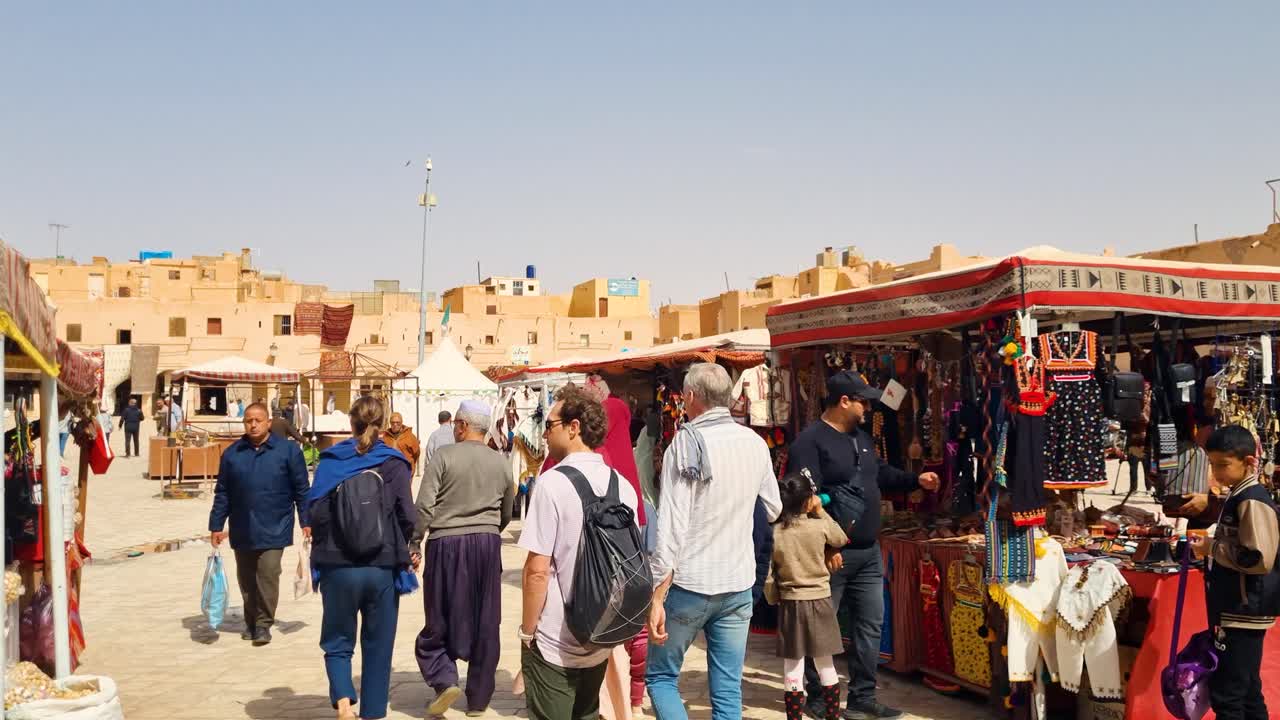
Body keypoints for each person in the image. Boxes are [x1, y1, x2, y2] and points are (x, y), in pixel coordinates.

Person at [786, 371, 939, 720]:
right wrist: (827, 546)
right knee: (820, 630)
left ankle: (862, 697)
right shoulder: (808, 444)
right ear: (844, 401)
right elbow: (803, 502)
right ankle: (817, 696)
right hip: (829, 555)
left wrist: (915, 480)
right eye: (863, 401)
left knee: (870, 625)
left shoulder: (862, 438)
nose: (868, 408)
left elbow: (879, 473)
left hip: (868, 553)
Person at [646, 363, 783, 720]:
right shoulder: (754, 443)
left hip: (690, 584)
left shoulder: (685, 443)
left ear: (690, 396)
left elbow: (671, 525)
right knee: (727, 690)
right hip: (737, 583)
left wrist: (657, 595)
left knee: (661, 677)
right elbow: (774, 507)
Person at [519, 385, 640, 720]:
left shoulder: (552, 483)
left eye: (550, 425)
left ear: (574, 428)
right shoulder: (622, 485)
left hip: (556, 638)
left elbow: (537, 571)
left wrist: (527, 632)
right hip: (602, 632)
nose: (545, 434)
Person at [307, 396, 418, 720]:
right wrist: (403, 545)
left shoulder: (331, 461)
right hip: (381, 568)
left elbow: (315, 514)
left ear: (351, 422)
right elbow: (408, 517)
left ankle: (344, 704)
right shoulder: (394, 462)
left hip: (337, 567)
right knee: (378, 646)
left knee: (337, 640)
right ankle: (372, 713)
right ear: (383, 424)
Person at [413, 400, 515, 717]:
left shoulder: (444, 456)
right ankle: (478, 700)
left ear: (462, 426)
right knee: (486, 618)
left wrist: (414, 540)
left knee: (440, 614)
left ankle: (444, 680)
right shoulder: (501, 462)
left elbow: (424, 505)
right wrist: (489, 531)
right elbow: (507, 510)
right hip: (487, 543)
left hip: (446, 543)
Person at [1189, 425, 1280, 720]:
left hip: (1244, 610)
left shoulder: (1251, 499)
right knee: (1247, 690)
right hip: (1240, 608)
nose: (1216, 472)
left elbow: (1259, 557)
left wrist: (1212, 548)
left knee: (1228, 694)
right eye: (1213, 464)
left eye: (1223, 464)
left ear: (1248, 462)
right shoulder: (1239, 495)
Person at [207, 403, 310, 646]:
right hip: (242, 524)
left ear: (268, 423)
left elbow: (302, 489)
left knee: (268, 572)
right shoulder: (232, 454)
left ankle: (263, 623)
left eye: (258, 420)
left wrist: (307, 521)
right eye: (248, 421)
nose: (253, 425)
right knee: (246, 577)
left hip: (276, 523)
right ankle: (251, 620)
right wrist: (216, 525)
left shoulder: (287, 451)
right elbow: (223, 492)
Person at [581, 375, 648, 716]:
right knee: (634, 612)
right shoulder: (621, 411)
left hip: (602, 527)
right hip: (633, 515)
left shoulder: (596, 444)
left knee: (604, 617)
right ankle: (635, 696)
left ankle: (611, 697)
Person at [770, 472, 850, 720]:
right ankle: (832, 716)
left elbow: (769, 575)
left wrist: (773, 597)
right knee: (825, 663)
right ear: (808, 500)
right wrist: (821, 511)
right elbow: (840, 538)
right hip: (820, 600)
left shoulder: (776, 532)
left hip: (791, 602)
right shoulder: (819, 526)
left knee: (792, 665)